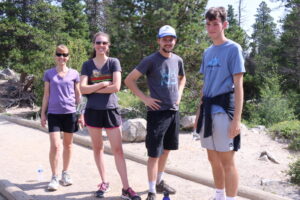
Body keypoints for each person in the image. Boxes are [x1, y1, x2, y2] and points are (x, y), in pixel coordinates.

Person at [125, 25, 186, 200]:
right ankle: (151, 190)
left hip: (173, 111)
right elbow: (129, 80)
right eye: (165, 39)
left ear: (175, 41)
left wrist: (180, 94)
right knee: (154, 153)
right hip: (157, 113)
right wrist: (145, 99)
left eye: (171, 39)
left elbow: (183, 78)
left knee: (166, 150)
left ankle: (160, 182)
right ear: (159, 40)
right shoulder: (150, 60)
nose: (169, 42)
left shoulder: (178, 60)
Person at [79, 32, 141, 200]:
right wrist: (101, 84)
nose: (101, 45)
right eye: (98, 42)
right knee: (97, 148)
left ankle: (126, 188)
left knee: (118, 150)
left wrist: (93, 88)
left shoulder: (114, 62)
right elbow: (82, 89)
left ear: (108, 45)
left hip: (110, 110)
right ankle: (104, 182)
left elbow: (116, 87)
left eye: (104, 43)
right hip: (92, 111)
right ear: (93, 44)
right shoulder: (87, 65)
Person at [194, 7, 245, 200]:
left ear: (224, 25)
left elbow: (239, 85)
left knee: (227, 160)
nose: (211, 28)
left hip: (225, 111)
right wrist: (199, 112)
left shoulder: (233, 49)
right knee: (212, 158)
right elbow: (206, 84)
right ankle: (219, 195)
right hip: (208, 110)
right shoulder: (207, 52)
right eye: (208, 24)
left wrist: (237, 120)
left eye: (215, 24)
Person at [41, 44, 81, 191]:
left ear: (68, 57)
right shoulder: (49, 74)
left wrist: (81, 114)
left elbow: (78, 95)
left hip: (70, 113)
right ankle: (54, 176)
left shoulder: (74, 74)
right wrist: (42, 114)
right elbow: (46, 95)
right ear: (55, 56)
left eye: (64, 55)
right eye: (59, 54)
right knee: (56, 146)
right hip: (53, 114)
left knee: (68, 145)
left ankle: (65, 173)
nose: (61, 57)